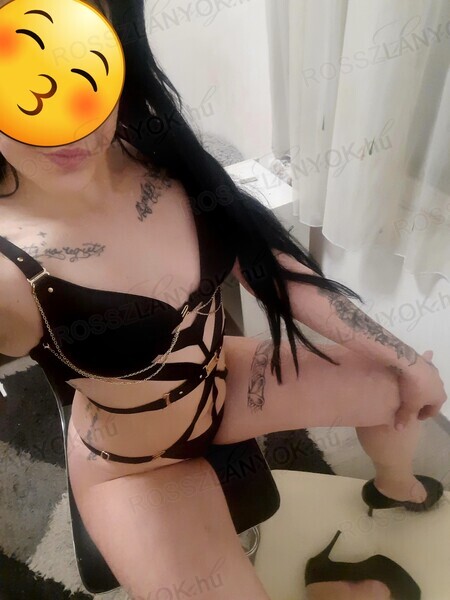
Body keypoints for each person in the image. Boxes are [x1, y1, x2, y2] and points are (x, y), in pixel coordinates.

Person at [0, 1, 446, 598]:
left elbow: (271, 267)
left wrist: (407, 360)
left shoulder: (161, 155)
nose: (68, 121)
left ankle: (393, 489)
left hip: (224, 381)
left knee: (398, 384)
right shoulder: (8, 270)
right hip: (138, 469)